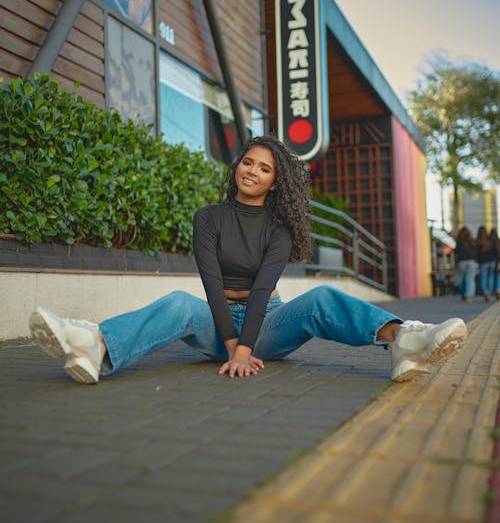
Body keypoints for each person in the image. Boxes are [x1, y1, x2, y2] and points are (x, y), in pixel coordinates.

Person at [29, 135, 467, 385]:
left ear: (275, 183)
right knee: (180, 303)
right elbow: (212, 286)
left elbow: (262, 290)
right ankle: (95, 346)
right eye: (248, 162)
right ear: (237, 165)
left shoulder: (279, 228)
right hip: (215, 323)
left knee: (321, 298)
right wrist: (231, 345)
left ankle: (403, 340)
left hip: (268, 323)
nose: (252, 171)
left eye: (264, 169)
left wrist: (247, 347)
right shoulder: (208, 218)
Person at [454, 226, 477, 302]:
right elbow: (476, 252)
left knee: (462, 279)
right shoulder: (472, 241)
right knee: (470, 279)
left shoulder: (459, 241)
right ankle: (469, 295)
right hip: (471, 262)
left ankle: (463, 294)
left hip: (461, 262)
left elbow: (456, 253)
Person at [476, 225, 496, 302]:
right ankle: (489, 292)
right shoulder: (490, 240)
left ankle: (486, 292)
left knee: (483, 278)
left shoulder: (478, 241)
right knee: (491, 277)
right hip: (492, 261)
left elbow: (476, 253)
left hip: (483, 262)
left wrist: (477, 262)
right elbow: (495, 251)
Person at [489, 228, 500, 301]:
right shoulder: (498, 242)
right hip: (497, 261)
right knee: (498, 277)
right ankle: (498, 290)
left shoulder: (487, 241)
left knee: (490, 277)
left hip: (489, 261)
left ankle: (488, 292)